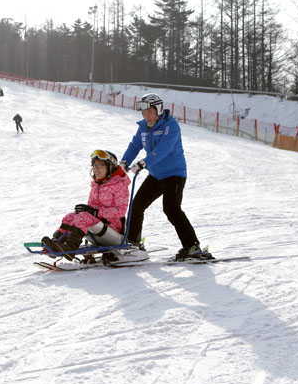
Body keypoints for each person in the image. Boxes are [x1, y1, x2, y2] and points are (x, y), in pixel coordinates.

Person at [120, 93, 210, 262]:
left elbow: (165, 149)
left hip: (174, 174)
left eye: (149, 111)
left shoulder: (171, 125)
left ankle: (192, 246)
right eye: (143, 112)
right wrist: (124, 162)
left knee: (171, 209)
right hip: (156, 174)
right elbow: (134, 145)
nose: (146, 115)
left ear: (158, 109)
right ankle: (133, 244)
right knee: (136, 206)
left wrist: (144, 162)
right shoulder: (143, 127)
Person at [40, 151, 147, 263]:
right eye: (95, 165)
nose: (97, 169)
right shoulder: (96, 184)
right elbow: (91, 210)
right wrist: (85, 211)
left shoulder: (119, 185)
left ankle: (69, 248)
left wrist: (95, 212)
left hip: (113, 231)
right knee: (71, 216)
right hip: (98, 227)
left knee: (84, 217)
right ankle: (57, 242)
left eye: (101, 165)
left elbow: (120, 211)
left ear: (110, 167)